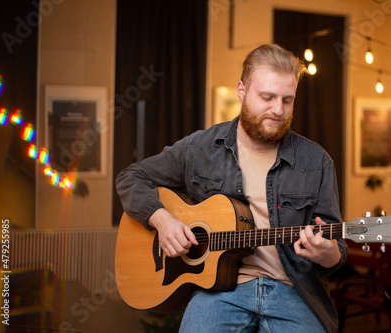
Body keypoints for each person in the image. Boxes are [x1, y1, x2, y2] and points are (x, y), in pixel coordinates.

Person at [116, 43, 347, 332]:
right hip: (220, 291)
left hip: (294, 290)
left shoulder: (317, 161)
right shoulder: (201, 148)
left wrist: (326, 253)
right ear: (241, 90)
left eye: (288, 100)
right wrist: (162, 220)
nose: (278, 110)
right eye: (267, 97)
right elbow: (130, 177)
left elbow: (335, 248)